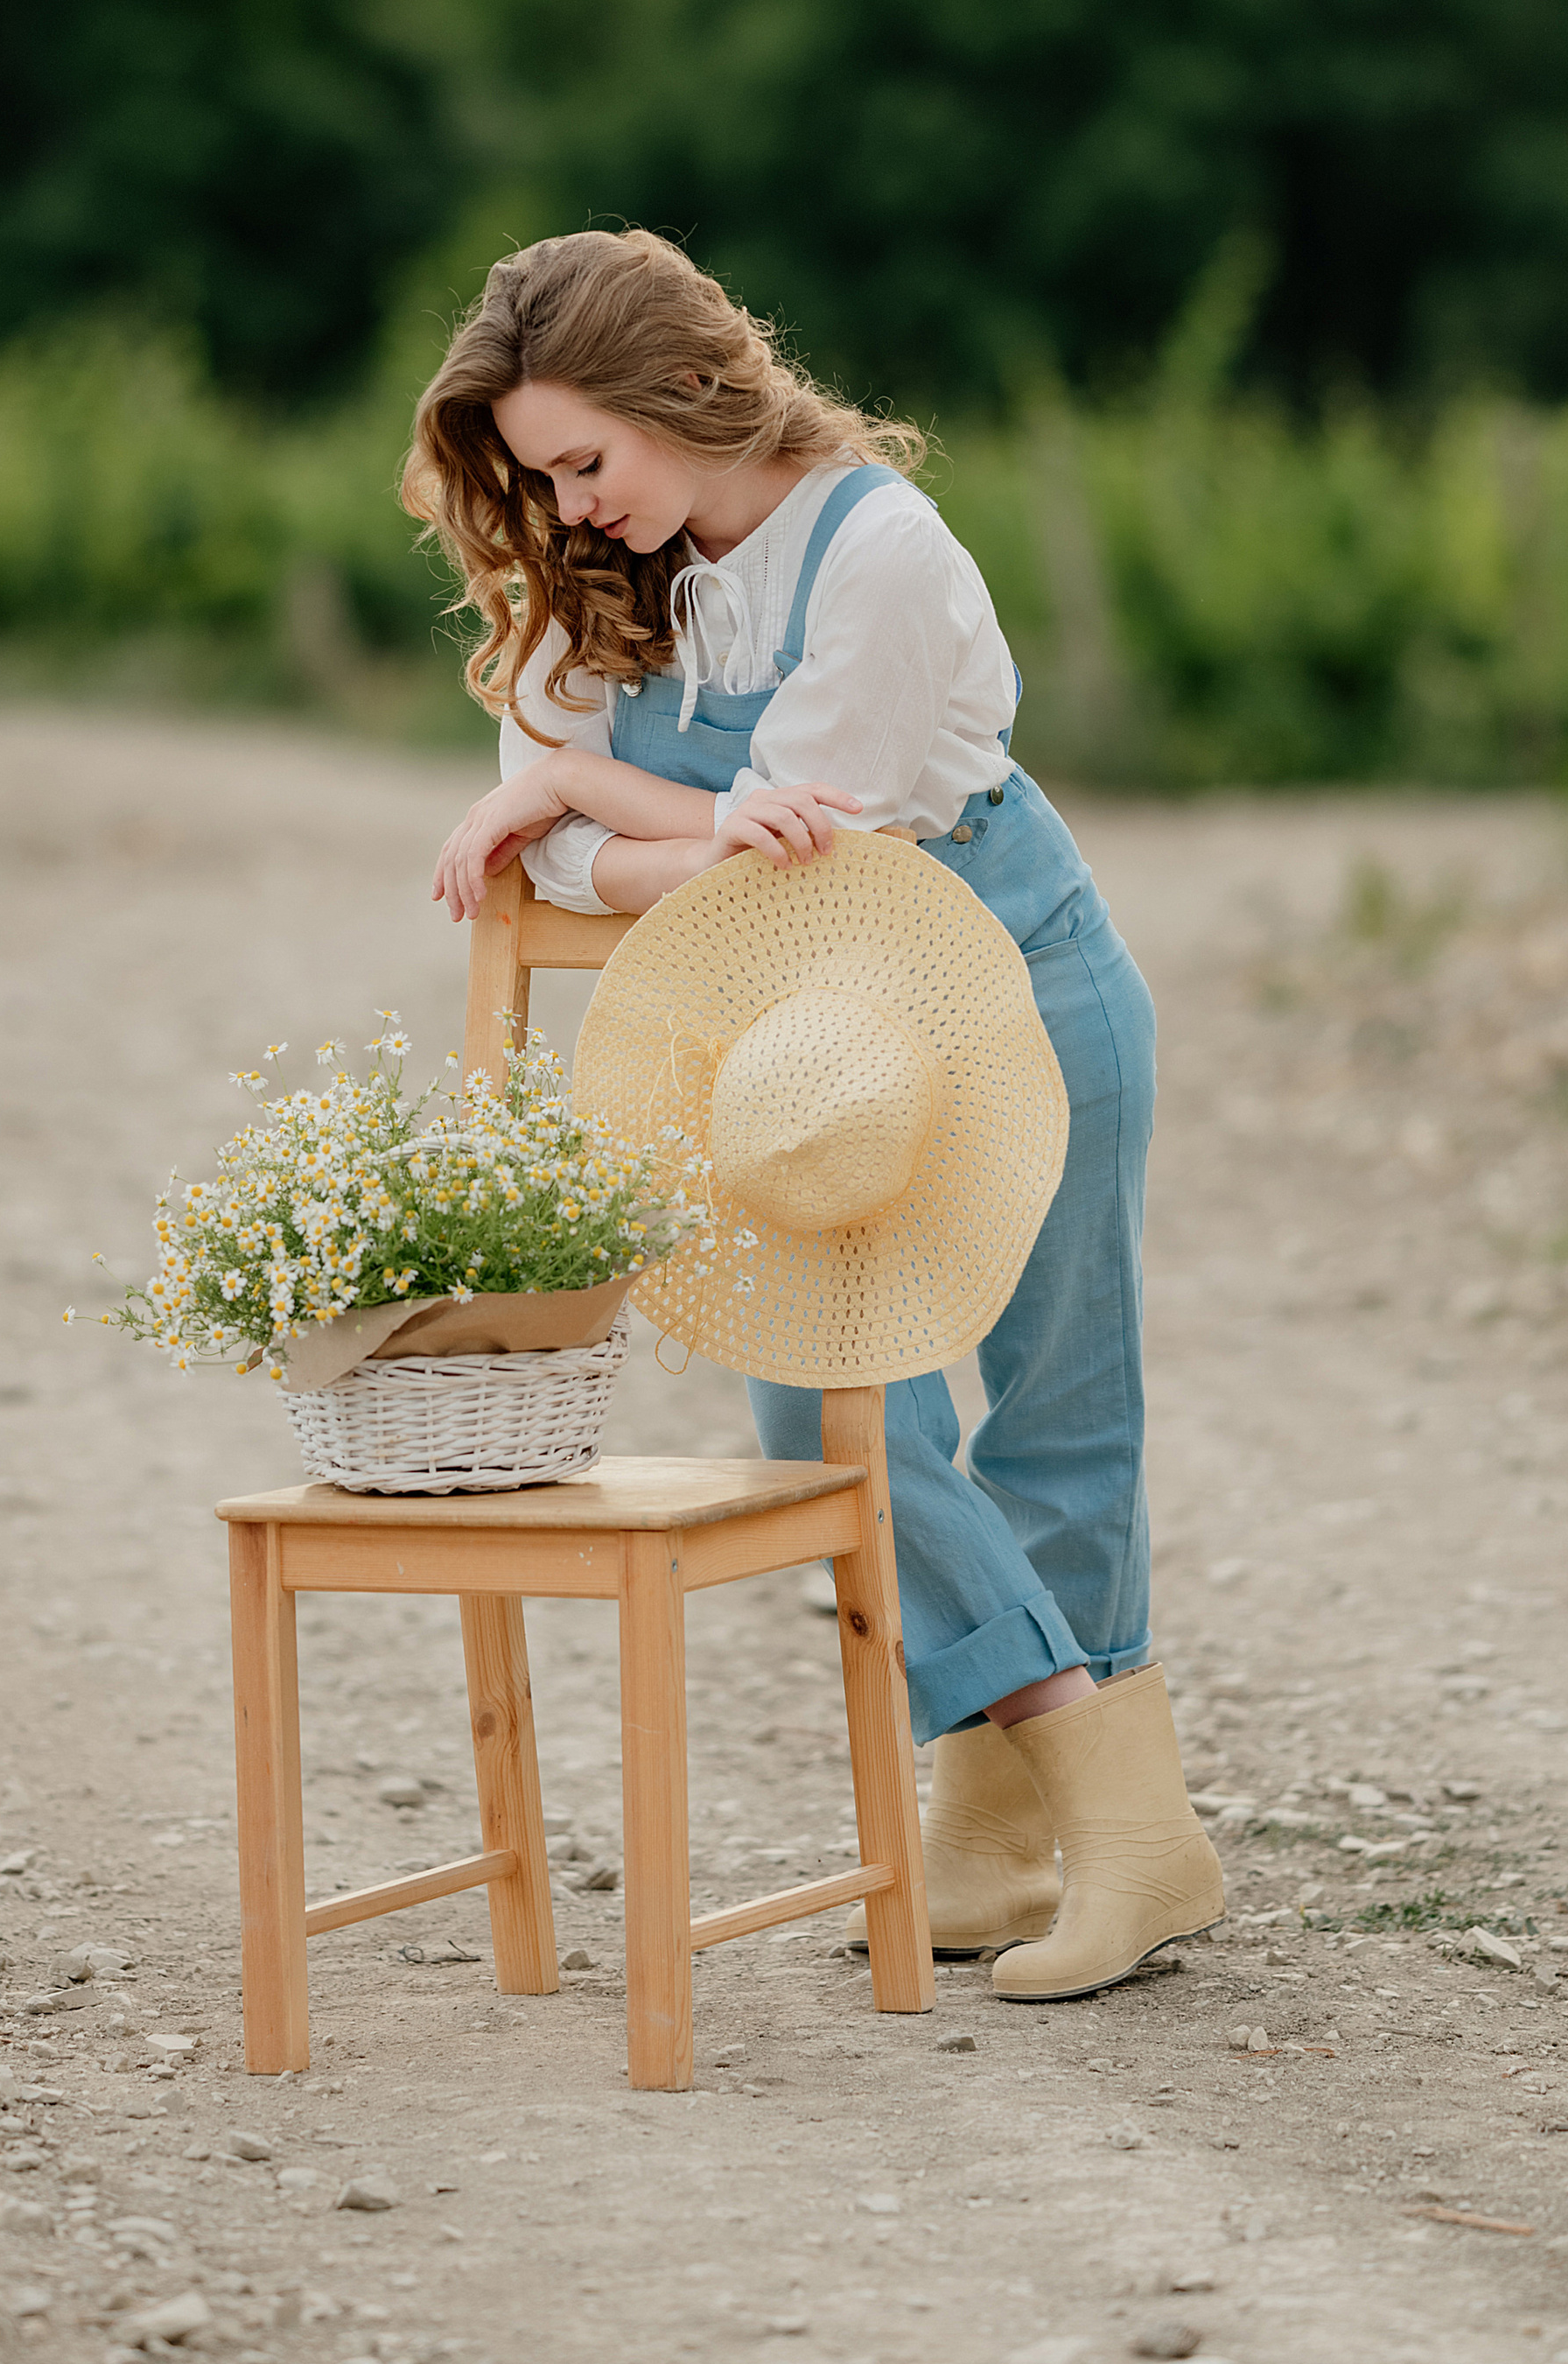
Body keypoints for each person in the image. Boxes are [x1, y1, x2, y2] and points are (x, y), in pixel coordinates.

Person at [402, 228, 1221, 2000]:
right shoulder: (589, 578)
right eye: (536, 474)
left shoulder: (880, 554)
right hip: (796, 1050)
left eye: (581, 460)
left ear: (677, 394)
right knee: (829, 1405)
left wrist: (573, 786)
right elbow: (623, 855)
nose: (566, 505)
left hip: (1013, 982)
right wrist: (592, 806)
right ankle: (1082, 1804)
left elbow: (802, 839)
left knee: (1061, 1408)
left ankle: (1033, 1851)